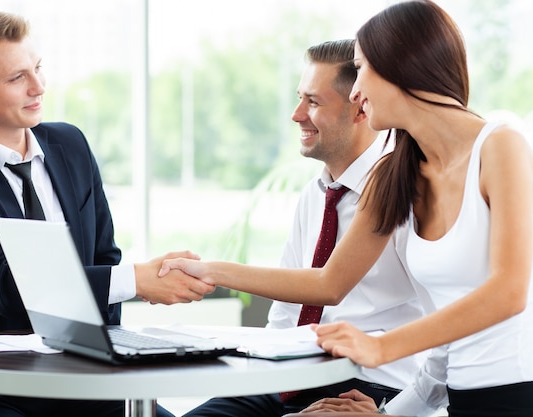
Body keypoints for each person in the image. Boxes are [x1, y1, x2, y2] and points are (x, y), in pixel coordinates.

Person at [159, 1, 533, 416]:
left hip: (516, 391)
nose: (357, 92)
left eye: (363, 69)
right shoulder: (399, 177)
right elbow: (329, 283)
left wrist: (380, 348)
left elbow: (509, 292)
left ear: (402, 67)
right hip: (461, 396)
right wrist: (209, 270)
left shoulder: (501, 143)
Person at [0, 10, 214, 417]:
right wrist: (136, 280)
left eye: (37, 69)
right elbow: (5, 285)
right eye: (17, 78)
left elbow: (104, 256)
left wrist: (110, 360)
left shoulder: (70, 145)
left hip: (85, 375)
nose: (38, 87)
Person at [182, 39, 425, 417]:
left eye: (313, 102)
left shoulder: (403, 192)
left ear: (361, 108)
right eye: (300, 98)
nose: (296, 115)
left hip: (368, 385)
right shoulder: (315, 195)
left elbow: (330, 286)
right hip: (286, 380)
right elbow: (286, 313)